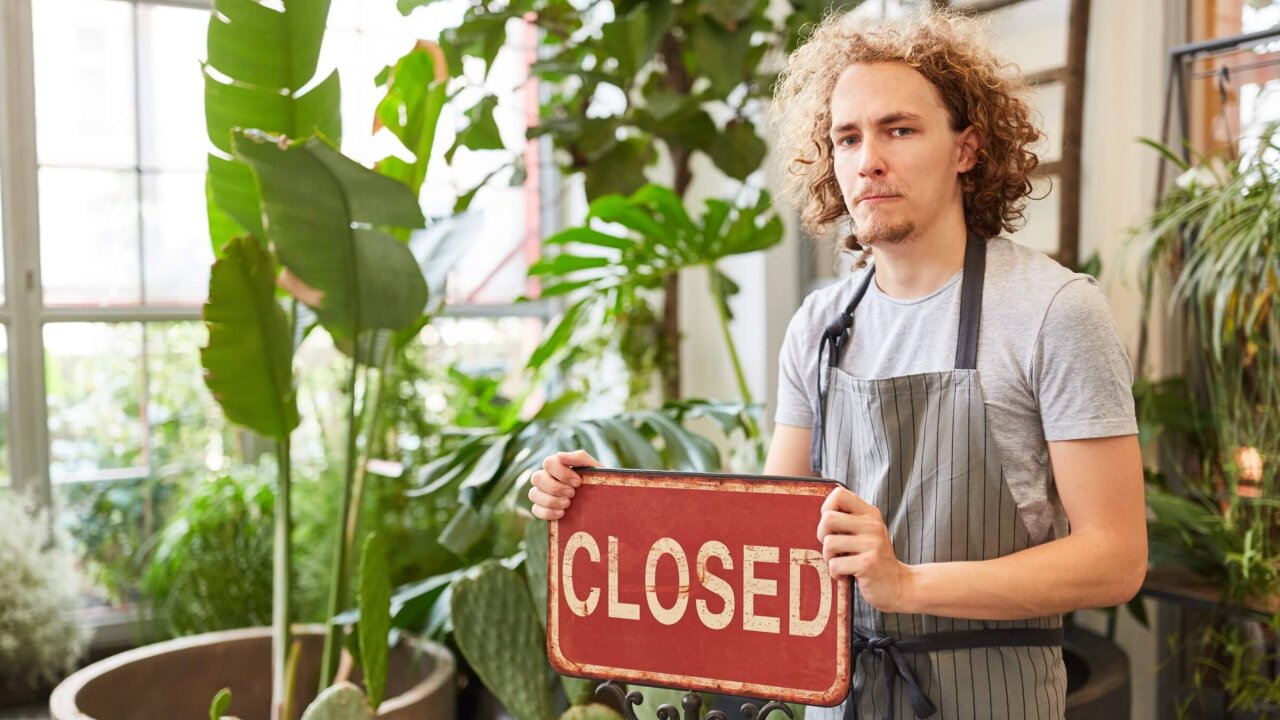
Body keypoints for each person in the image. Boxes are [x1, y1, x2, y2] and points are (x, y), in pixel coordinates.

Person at [528, 8, 1146, 720]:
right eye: (846, 137)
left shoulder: (1053, 311)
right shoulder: (821, 327)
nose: (867, 160)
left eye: (899, 129)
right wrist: (596, 508)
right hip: (836, 699)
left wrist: (907, 584)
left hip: (990, 697)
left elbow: (1115, 557)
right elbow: (763, 538)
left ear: (967, 148)